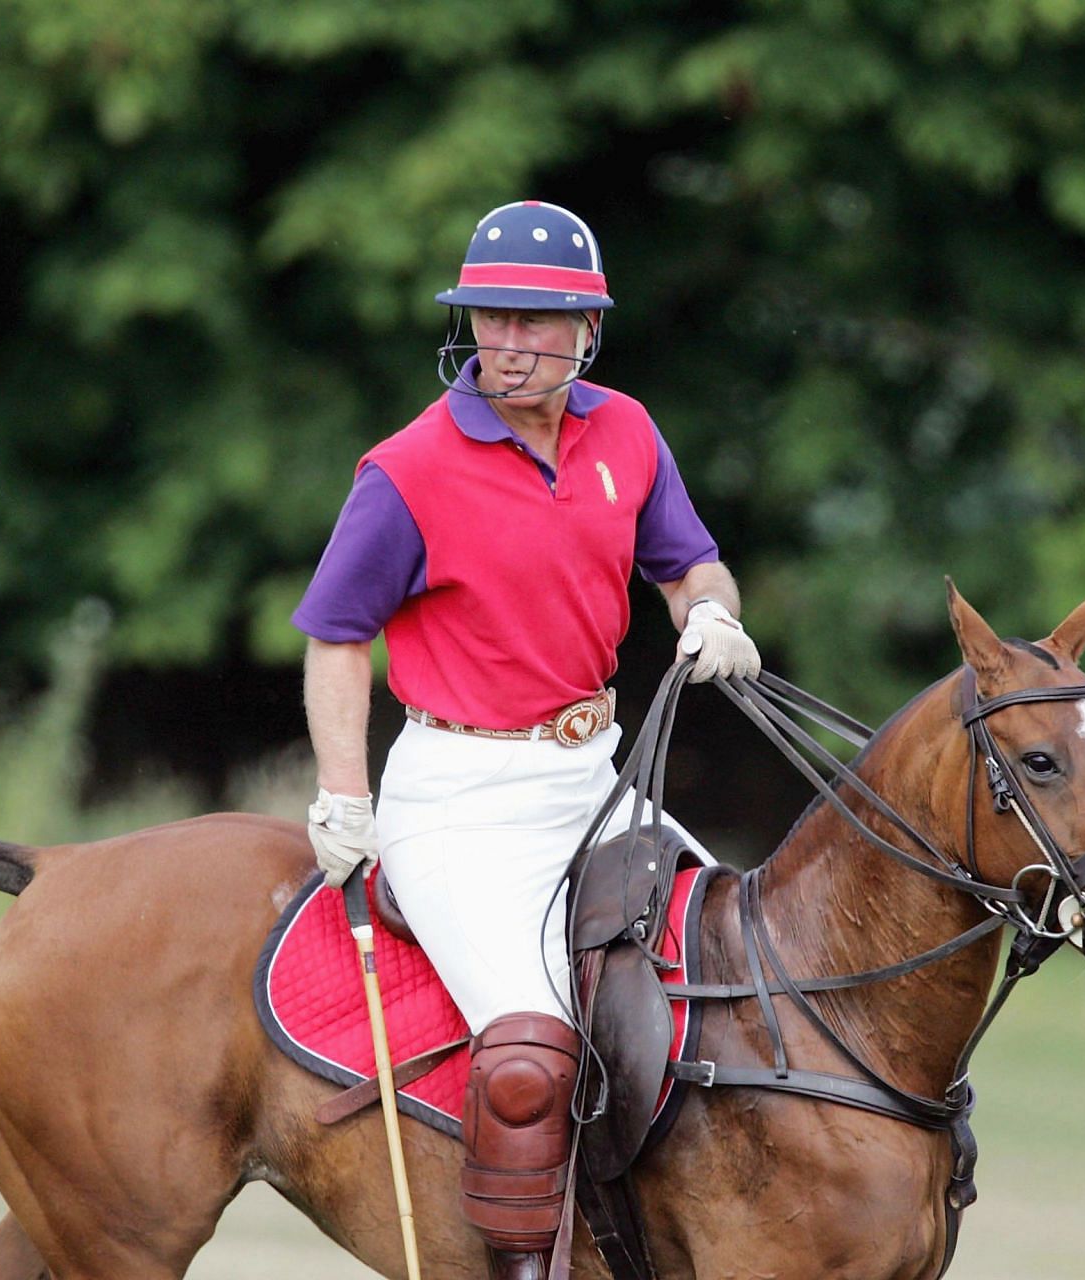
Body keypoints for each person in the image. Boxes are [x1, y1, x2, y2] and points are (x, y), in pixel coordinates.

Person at [291, 199, 759, 1279]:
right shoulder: (407, 470)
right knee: (528, 1051)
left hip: (592, 776)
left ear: (588, 331)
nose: (512, 342)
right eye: (493, 318)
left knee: (728, 977)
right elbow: (335, 639)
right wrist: (342, 793)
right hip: (459, 797)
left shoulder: (628, 433)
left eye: (540, 322)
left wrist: (713, 613)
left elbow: (689, 564)